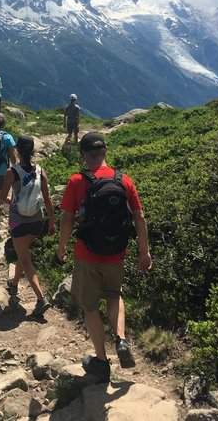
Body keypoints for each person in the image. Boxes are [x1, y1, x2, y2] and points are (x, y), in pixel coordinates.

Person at [55, 132, 152, 383]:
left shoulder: (77, 181)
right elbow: (139, 219)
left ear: (85, 155)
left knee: (89, 307)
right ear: (105, 152)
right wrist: (144, 252)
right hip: (116, 254)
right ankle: (120, 338)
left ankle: (101, 361)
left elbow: (67, 219)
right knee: (114, 295)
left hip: (87, 255)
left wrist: (62, 247)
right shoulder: (124, 181)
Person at [0, 135, 56, 319]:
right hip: (37, 221)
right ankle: (14, 284)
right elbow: (47, 199)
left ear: (17, 151)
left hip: (18, 221)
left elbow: (2, 197)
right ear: (33, 151)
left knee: (26, 259)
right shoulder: (40, 171)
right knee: (24, 255)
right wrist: (52, 222)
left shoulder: (11, 172)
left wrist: (13, 201)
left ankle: (40, 299)